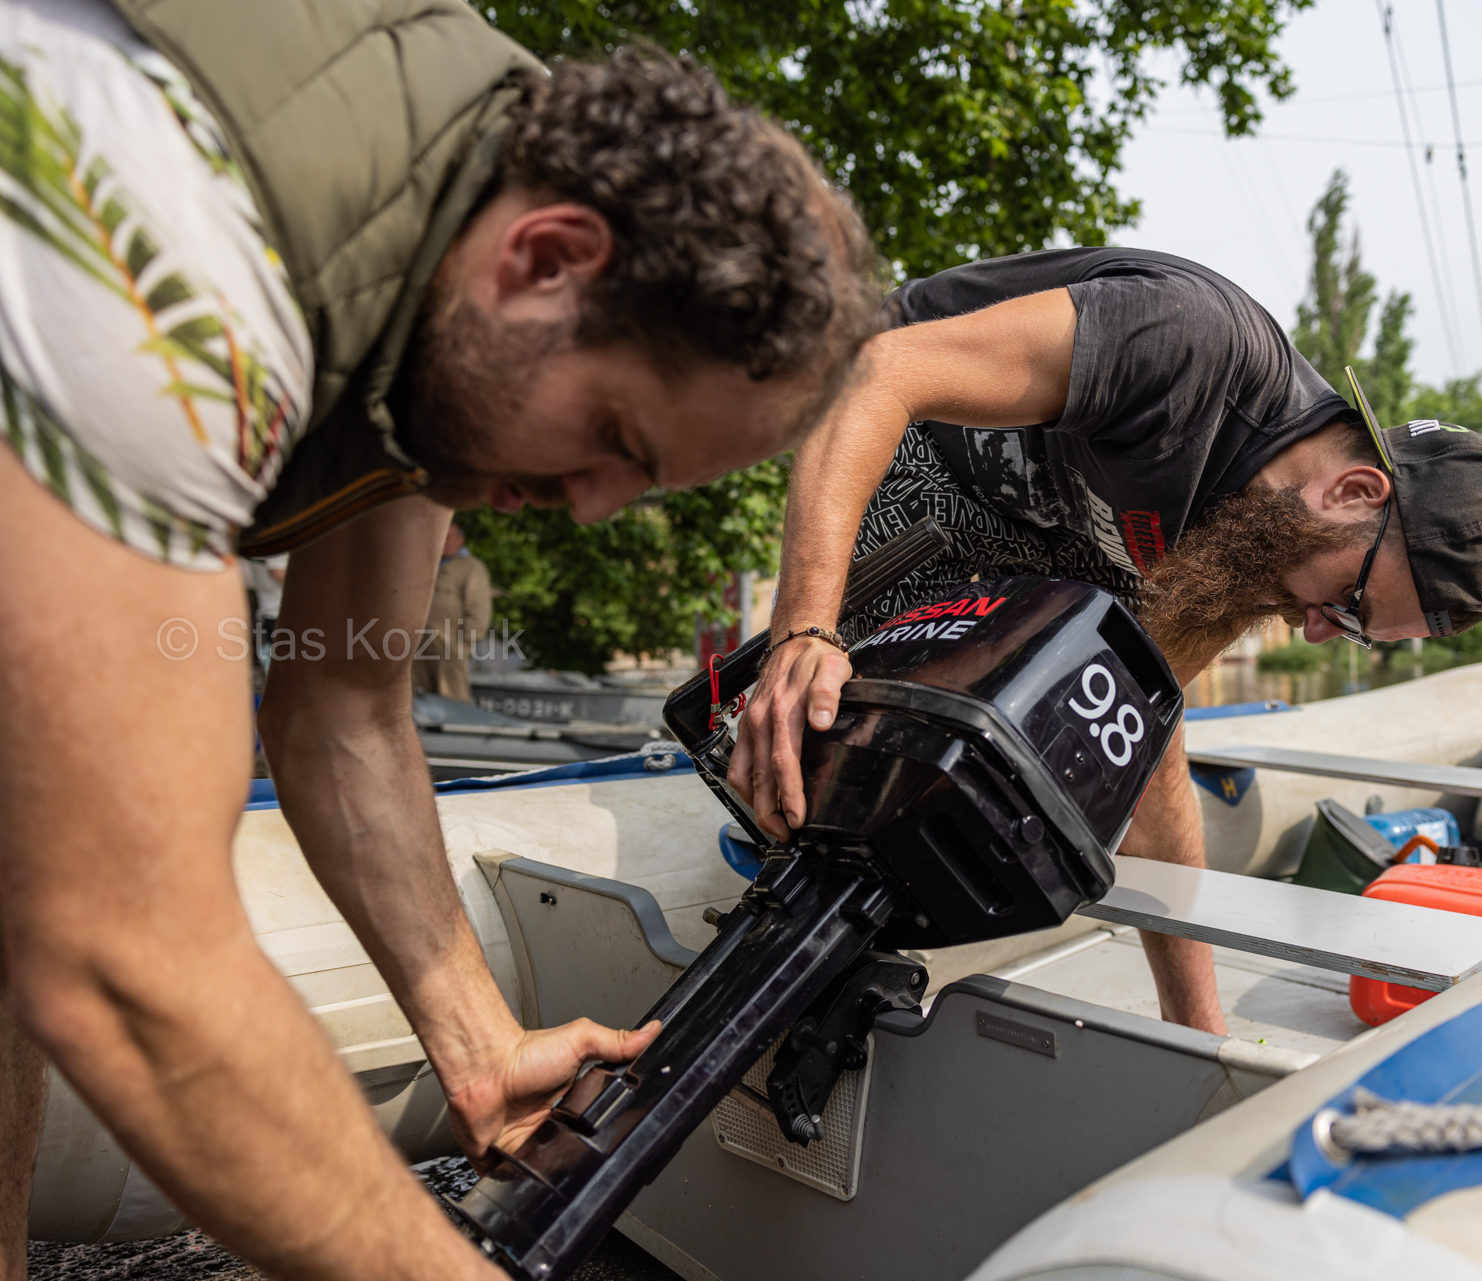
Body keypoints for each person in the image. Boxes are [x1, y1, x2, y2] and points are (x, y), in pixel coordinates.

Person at [0, 1, 876, 1277]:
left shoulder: (466, 239)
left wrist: (475, 1038)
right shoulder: (181, 259)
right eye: (615, 442)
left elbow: (345, 704)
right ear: (549, 259)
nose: (588, 505)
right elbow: (132, 971)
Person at [732, 247, 1482, 1034]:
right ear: (1354, 492)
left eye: (1352, 635)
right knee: (850, 759)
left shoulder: (1260, 552)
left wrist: (1198, 1030)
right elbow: (880, 373)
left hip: (1055, 540)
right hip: (922, 437)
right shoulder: (1191, 347)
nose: (1317, 629)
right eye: (1350, 604)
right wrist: (803, 631)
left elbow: (1143, 741)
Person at [413, 521, 493, 703]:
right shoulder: (425, 565)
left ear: (460, 540)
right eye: (439, 537)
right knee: (417, 701)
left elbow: (479, 611)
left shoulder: (471, 568)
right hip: (419, 647)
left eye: (447, 537)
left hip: (450, 648)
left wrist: (465, 644)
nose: (441, 542)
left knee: (452, 700)